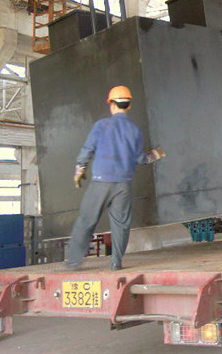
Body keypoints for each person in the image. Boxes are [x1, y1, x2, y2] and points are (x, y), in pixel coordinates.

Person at [64, 85, 164, 271]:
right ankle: (116, 262)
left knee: (86, 220)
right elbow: (140, 159)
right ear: (129, 105)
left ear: (111, 104)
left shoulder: (101, 126)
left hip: (101, 183)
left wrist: (79, 170)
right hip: (123, 186)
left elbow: (87, 149)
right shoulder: (134, 131)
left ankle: (73, 262)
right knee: (121, 226)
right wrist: (154, 155)